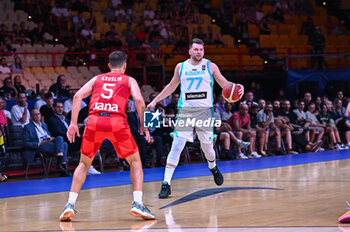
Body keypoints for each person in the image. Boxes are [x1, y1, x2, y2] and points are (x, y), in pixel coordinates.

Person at [59, 51, 156, 221]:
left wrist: (73, 123)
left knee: (84, 163)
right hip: (116, 121)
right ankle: (138, 203)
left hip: (94, 121)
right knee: (135, 161)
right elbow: (140, 100)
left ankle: (70, 204)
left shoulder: (97, 78)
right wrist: (144, 125)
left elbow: (77, 96)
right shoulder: (129, 79)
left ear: (109, 65)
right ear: (125, 66)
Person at [147, 38, 244, 199]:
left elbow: (226, 85)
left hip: (205, 112)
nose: (199, 52)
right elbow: (171, 86)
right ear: (190, 51)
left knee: (207, 147)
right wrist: (155, 100)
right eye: (196, 49)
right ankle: (166, 183)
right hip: (185, 111)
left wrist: (237, 89)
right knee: (177, 145)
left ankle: (212, 167)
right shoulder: (181, 67)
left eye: (201, 49)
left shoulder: (210, 66)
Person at [23, 109, 71, 176]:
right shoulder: (27, 127)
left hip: (49, 141)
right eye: (35, 114)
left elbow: (48, 135)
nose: (37, 116)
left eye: (39, 114)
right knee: (64, 145)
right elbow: (26, 143)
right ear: (31, 117)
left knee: (60, 138)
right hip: (40, 144)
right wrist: (39, 143)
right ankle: (63, 166)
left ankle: (60, 162)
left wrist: (50, 138)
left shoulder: (44, 124)